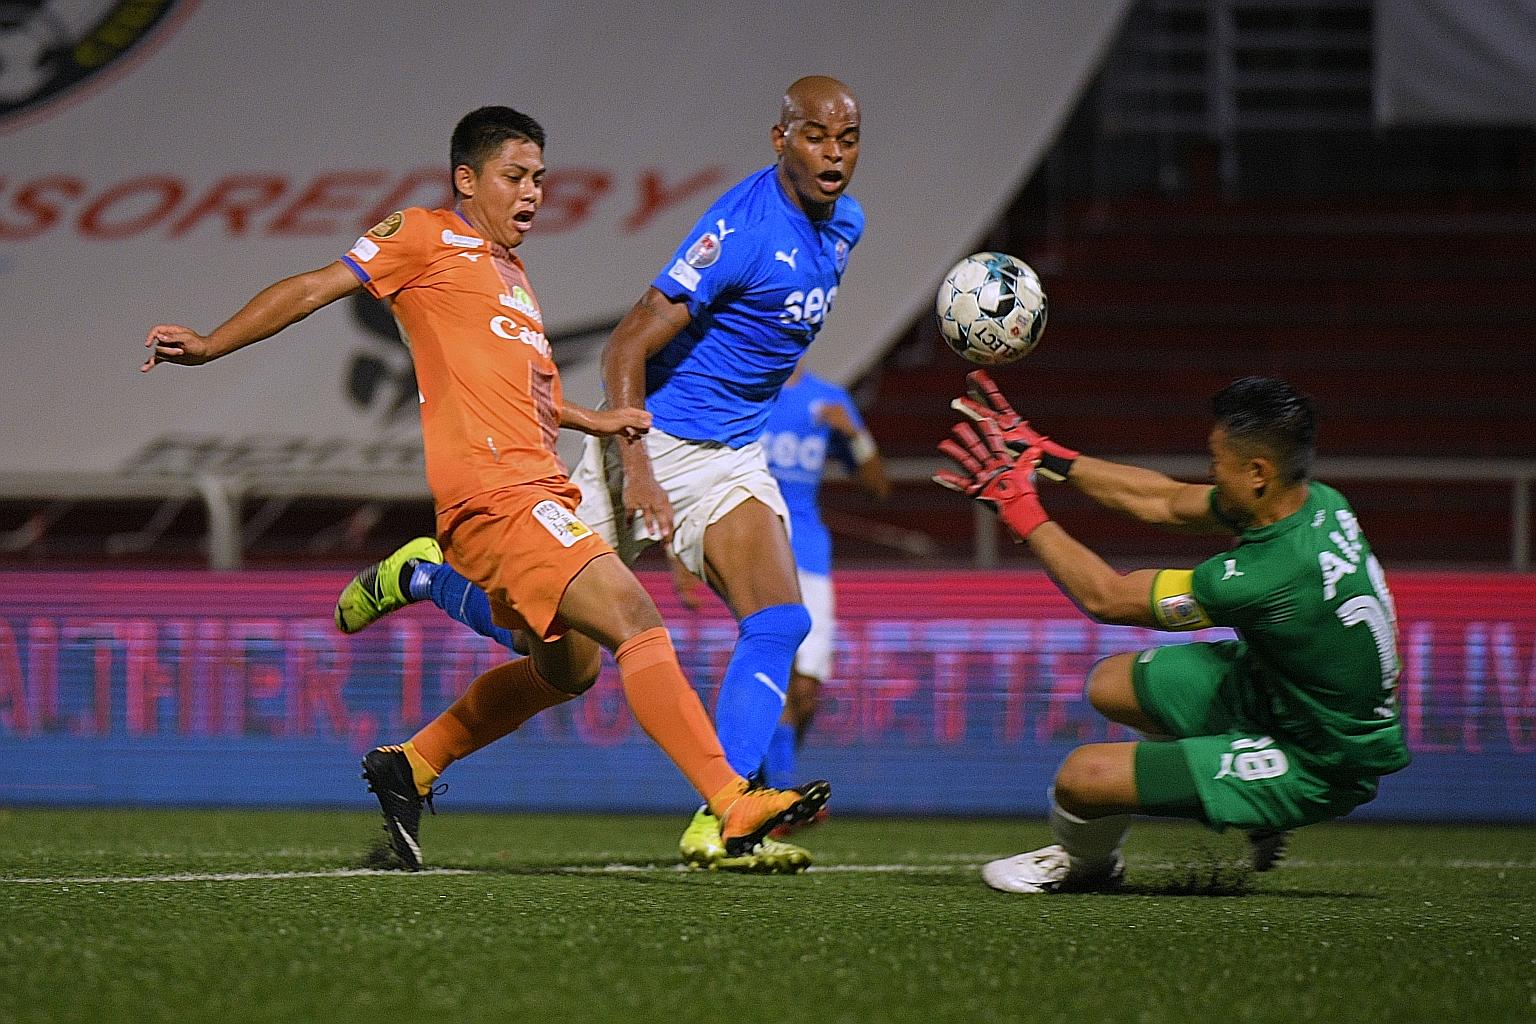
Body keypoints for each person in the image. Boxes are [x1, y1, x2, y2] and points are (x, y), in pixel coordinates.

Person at [141, 105, 828, 872]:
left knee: (569, 667)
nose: (532, 192)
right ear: (466, 179)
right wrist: (211, 344)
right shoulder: (421, 236)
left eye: (539, 178)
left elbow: (524, 390)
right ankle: (731, 802)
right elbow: (312, 288)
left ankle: (413, 760)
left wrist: (593, 420)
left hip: (538, 489)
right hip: (498, 496)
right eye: (514, 176)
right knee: (636, 621)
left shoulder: (513, 277)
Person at [334, 76, 864, 873]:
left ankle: (720, 815)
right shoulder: (742, 229)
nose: (834, 154)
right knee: (561, 657)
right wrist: (637, 466)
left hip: (731, 455)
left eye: (847, 139)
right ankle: (428, 581)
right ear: (780, 138)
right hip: (656, 442)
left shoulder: (846, 226)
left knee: (779, 621)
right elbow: (626, 345)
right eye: (816, 136)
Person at [935, 371, 1409, 893]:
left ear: (1258, 472)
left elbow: (1107, 598)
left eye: (1217, 461)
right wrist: (1047, 455)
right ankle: (1243, 786)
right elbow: (1163, 499)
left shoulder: (1264, 576)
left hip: (1318, 758)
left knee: (1082, 779)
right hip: (1281, 693)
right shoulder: (1318, 502)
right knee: (1111, 684)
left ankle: (1088, 867)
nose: (1210, 471)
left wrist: (1020, 509)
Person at [752, 359, 889, 796]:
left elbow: (878, 488)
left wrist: (855, 435)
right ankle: (780, 794)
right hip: (760, 550)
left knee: (807, 690)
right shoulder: (750, 387)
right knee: (775, 674)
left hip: (810, 555)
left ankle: (767, 785)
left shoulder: (829, 398)